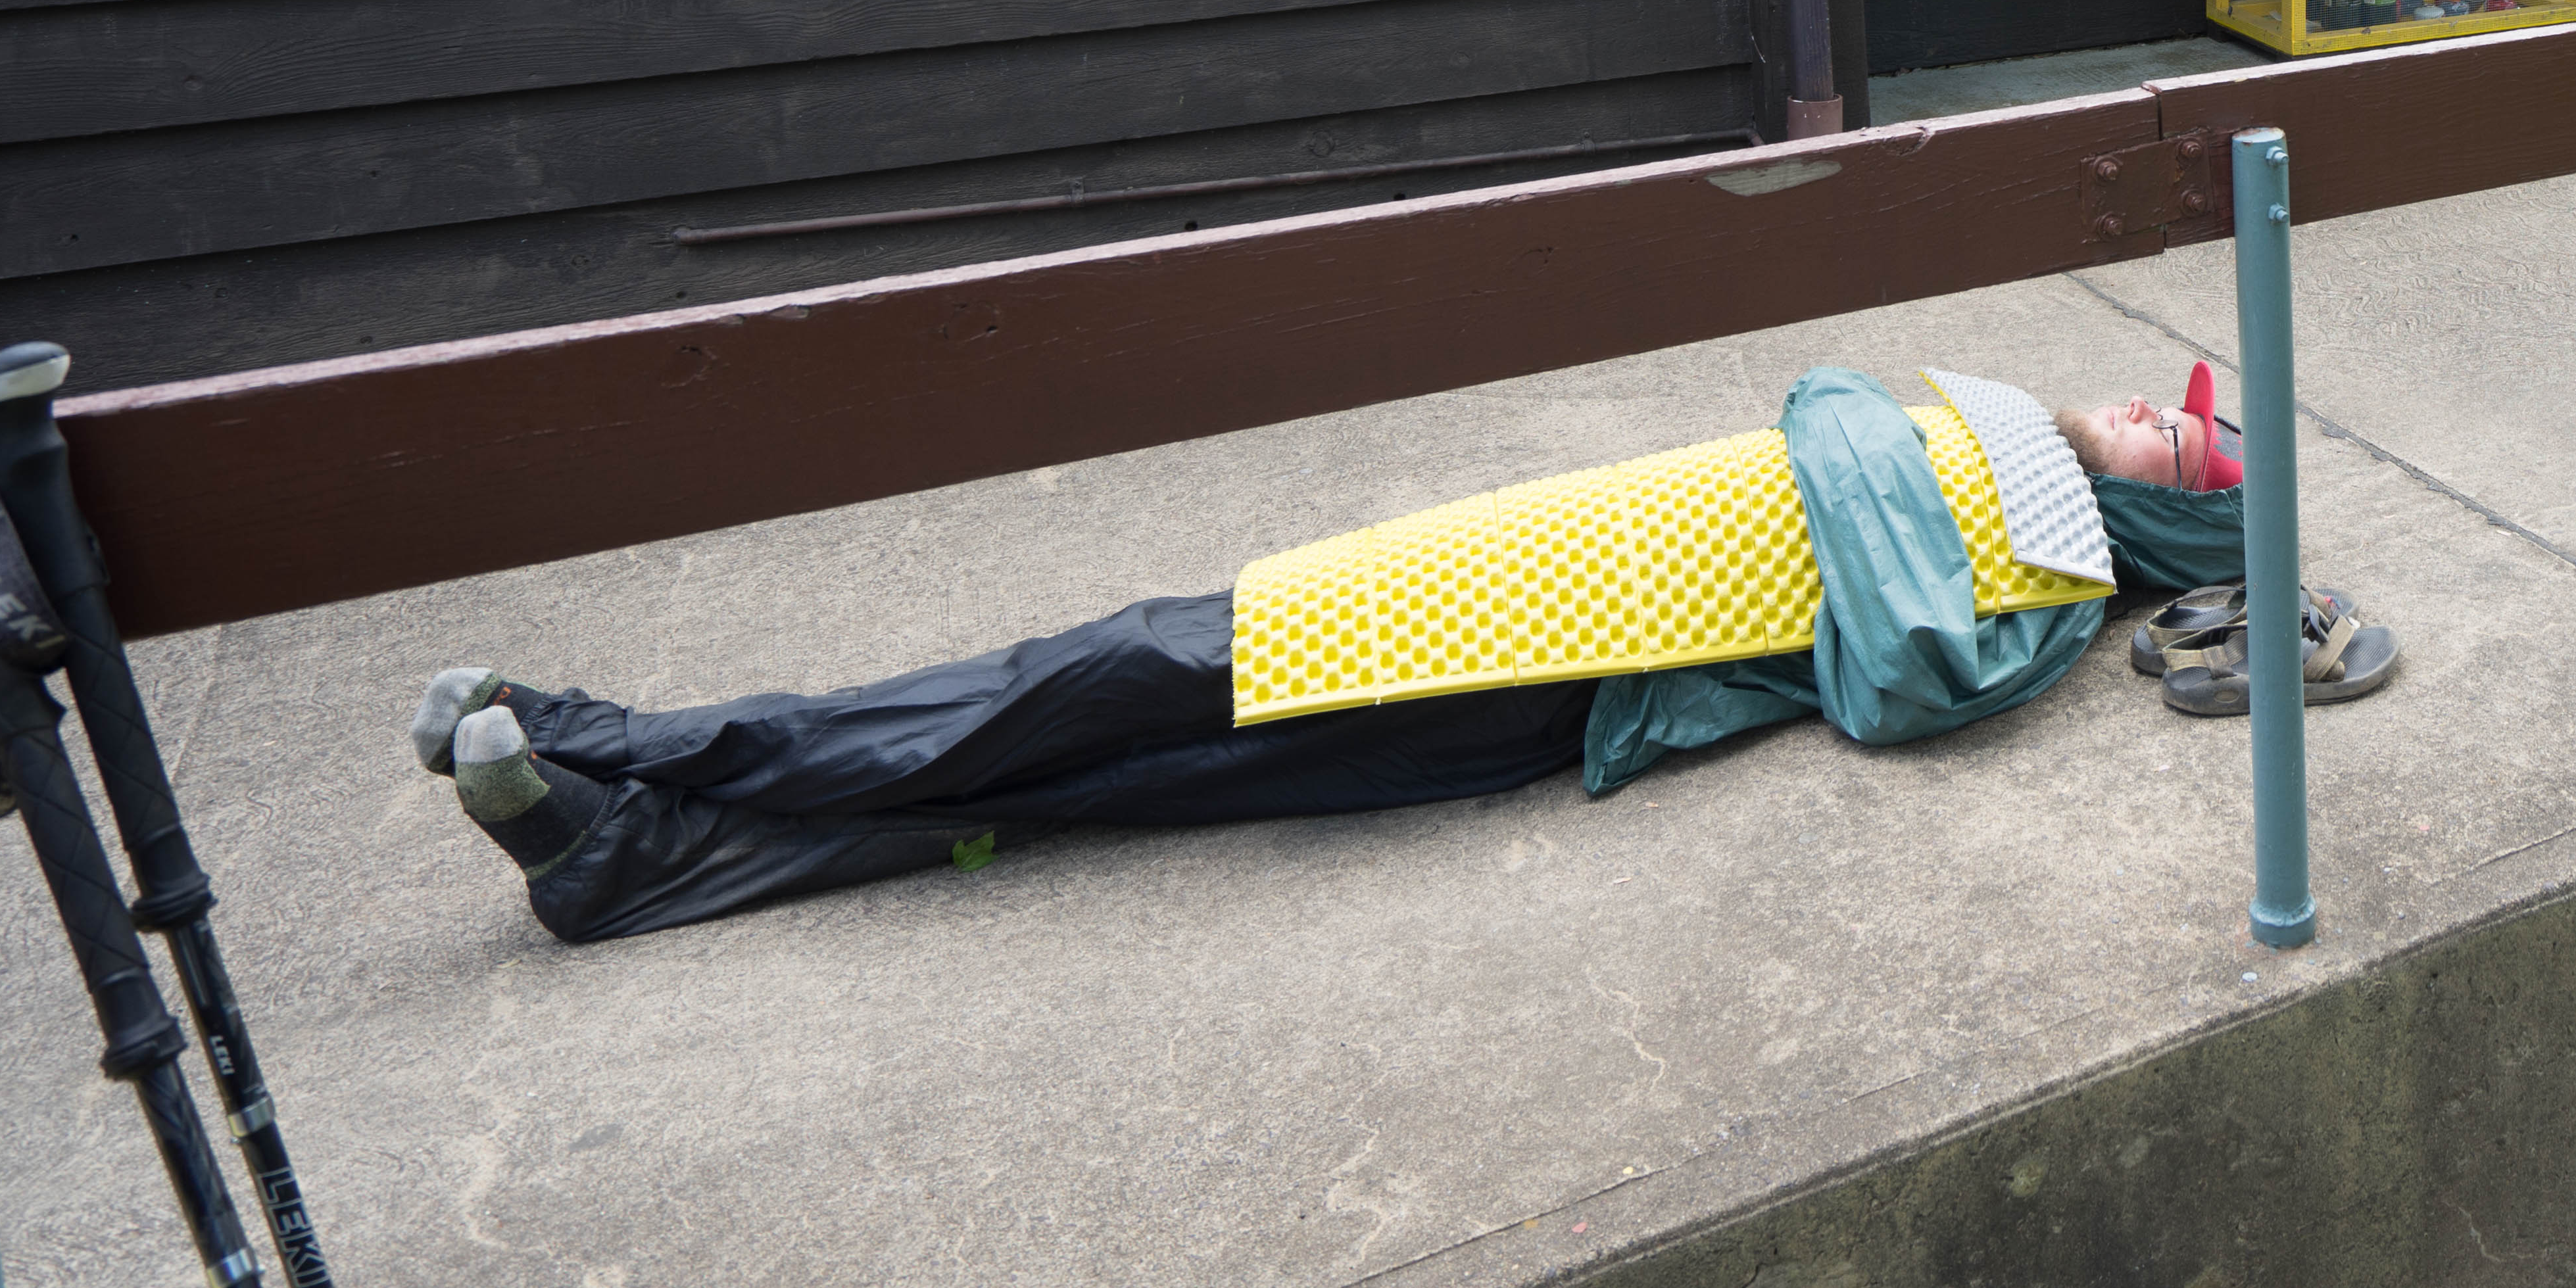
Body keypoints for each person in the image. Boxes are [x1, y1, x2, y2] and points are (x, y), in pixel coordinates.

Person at [420, 363, 2265, 944]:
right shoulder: (1974, 444)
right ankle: (629, 790)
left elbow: (1897, 677)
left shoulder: (2039, 595)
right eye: (2165, 399)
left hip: (1542, 687)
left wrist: (1887, 505)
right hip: (1462, 581)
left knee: (1101, 769)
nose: (2144, 404)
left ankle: (626, 811)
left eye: (2176, 437)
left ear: (2171, 518)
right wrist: (1882, 483)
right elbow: (1829, 399)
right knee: (1091, 686)